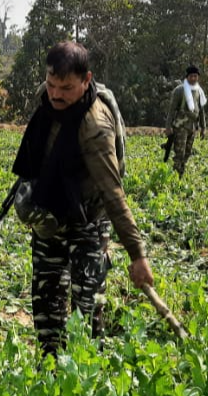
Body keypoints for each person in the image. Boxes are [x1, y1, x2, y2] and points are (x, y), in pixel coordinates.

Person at [11, 41, 154, 355]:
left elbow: (113, 195)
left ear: (86, 80)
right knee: (45, 304)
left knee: (86, 307)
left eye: (66, 88)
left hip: (87, 220)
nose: (56, 94)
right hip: (51, 215)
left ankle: (84, 380)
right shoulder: (45, 100)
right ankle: (49, 373)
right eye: (51, 85)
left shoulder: (95, 126)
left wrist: (137, 255)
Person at [165, 65, 207, 177]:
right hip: (180, 126)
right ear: (187, 77)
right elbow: (171, 110)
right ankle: (175, 178)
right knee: (179, 154)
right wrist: (168, 127)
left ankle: (180, 175)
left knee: (187, 154)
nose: (193, 78)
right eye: (191, 76)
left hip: (192, 127)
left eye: (195, 76)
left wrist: (203, 128)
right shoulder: (179, 91)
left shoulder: (199, 91)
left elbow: (201, 110)